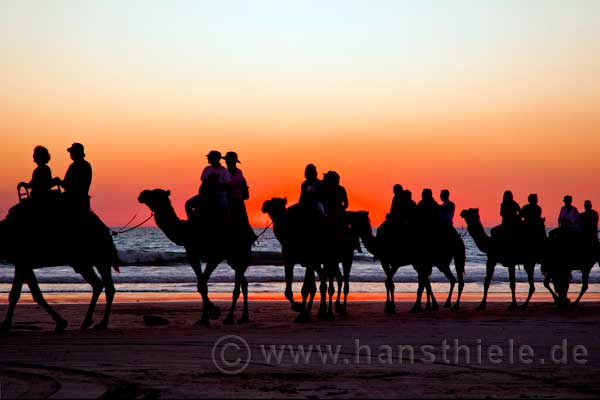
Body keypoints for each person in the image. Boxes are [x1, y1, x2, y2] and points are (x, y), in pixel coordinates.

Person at [185, 150, 231, 219]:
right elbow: (203, 184)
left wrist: (217, 184)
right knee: (188, 204)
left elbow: (227, 186)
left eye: (209, 157)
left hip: (220, 194)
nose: (208, 158)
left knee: (223, 209)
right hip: (207, 193)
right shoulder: (207, 169)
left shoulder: (224, 170)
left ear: (215, 159)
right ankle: (191, 221)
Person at [223, 151, 256, 243]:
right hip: (226, 198)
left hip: (236, 199)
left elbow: (242, 186)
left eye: (229, 160)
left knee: (243, 220)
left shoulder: (238, 173)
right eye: (227, 160)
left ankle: (249, 236)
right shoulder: (224, 172)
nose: (228, 162)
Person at [56, 142, 92, 213]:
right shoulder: (87, 165)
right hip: (83, 199)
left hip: (73, 199)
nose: (71, 155)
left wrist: (58, 181)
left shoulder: (74, 166)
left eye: (72, 153)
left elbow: (67, 185)